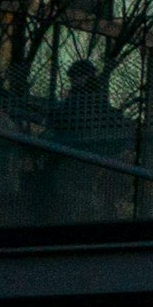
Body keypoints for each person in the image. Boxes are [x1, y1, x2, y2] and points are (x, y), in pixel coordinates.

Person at [43, 58, 133, 222]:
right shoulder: (79, 103)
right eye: (74, 78)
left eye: (78, 77)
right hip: (75, 159)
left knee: (80, 202)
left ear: (86, 77)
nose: (75, 81)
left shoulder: (91, 104)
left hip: (85, 162)